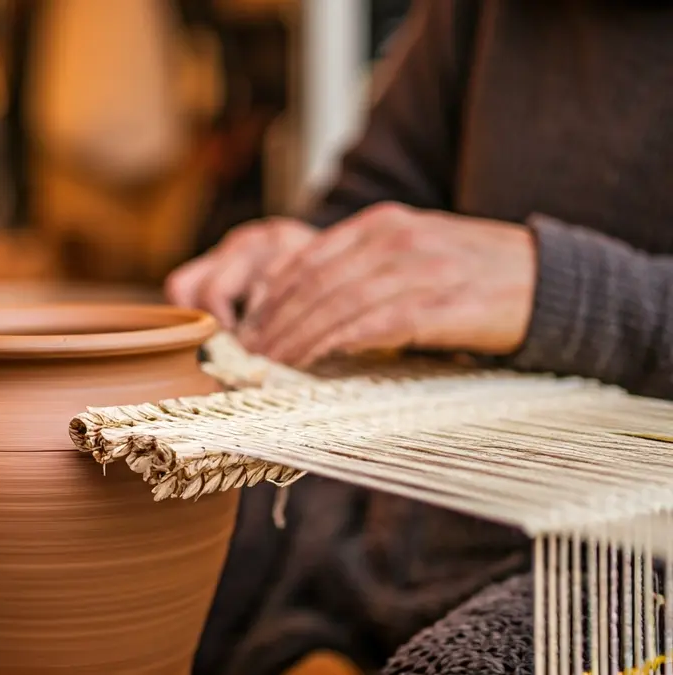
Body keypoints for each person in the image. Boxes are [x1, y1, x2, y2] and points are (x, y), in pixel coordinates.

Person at [167, 0, 673, 673]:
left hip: (630, 546)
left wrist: (556, 289)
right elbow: (372, 199)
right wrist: (302, 265)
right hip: (437, 517)